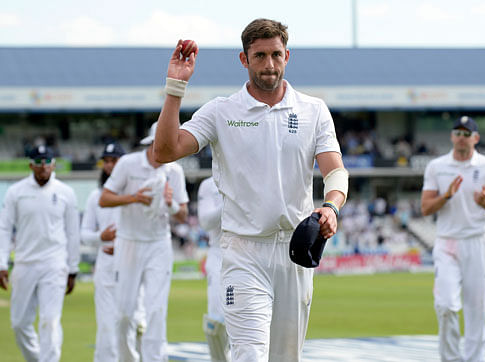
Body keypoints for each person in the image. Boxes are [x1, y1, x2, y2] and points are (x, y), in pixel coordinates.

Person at [153, 18, 348, 362]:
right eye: (259, 56)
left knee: (284, 357)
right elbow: (164, 151)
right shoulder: (221, 111)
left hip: (295, 252)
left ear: (287, 55)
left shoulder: (313, 110)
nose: (269, 65)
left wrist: (331, 207)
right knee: (249, 355)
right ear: (244, 60)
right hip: (243, 251)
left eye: (275, 55)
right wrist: (175, 87)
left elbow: (335, 171)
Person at [99, 122, 189, 362]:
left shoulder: (175, 171)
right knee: (124, 314)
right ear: (151, 143)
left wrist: (170, 204)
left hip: (159, 244)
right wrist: (134, 198)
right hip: (129, 242)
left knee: (157, 310)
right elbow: (104, 199)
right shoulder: (128, 164)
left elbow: (182, 213)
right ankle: (128, 359)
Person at [421, 116, 485, 362]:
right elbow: (425, 208)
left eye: (467, 133)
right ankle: (451, 359)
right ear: (452, 136)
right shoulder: (437, 166)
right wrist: (446, 196)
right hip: (446, 242)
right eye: (458, 132)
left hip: (476, 242)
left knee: (476, 310)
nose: (461, 137)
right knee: (445, 305)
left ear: (476, 138)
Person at [0, 145, 80, 362]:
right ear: (30, 165)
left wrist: (73, 268)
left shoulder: (66, 192)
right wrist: (2, 263)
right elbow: (4, 228)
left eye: (47, 163)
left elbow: (73, 233)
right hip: (24, 263)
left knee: (50, 320)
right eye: (38, 163)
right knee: (19, 324)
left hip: (54, 264)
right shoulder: (16, 192)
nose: (43, 168)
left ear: (54, 164)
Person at [81, 142, 146, 362]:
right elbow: (84, 234)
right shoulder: (95, 197)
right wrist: (101, 237)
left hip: (132, 265)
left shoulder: (137, 194)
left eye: (114, 160)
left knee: (134, 322)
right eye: (106, 161)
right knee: (107, 327)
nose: (109, 165)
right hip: (106, 267)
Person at [197, 176, 230, 362]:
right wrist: (230, 201)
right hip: (219, 251)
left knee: (247, 319)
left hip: (250, 251)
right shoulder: (208, 184)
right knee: (216, 320)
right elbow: (205, 221)